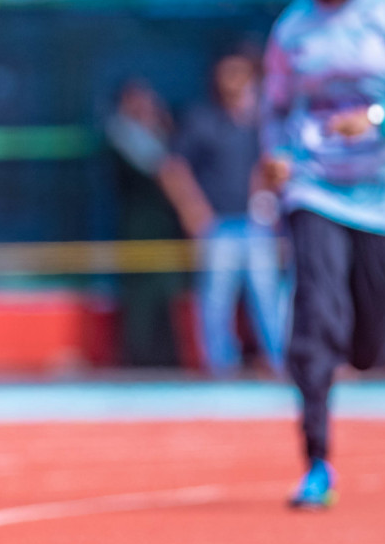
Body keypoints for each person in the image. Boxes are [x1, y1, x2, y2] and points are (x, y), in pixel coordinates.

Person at [259, 0, 385, 510]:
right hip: (317, 188)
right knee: (314, 320)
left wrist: (380, 120)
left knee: (367, 348)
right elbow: (275, 108)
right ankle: (317, 460)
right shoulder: (293, 30)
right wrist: (277, 157)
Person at [162, 51, 286, 376]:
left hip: (256, 224)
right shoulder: (202, 120)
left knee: (268, 297)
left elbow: (273, 166)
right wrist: (192, 209)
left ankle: (280, 362)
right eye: (227, 74)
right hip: (217, 225)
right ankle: (220, 366)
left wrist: (267, 200)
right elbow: (172, 167)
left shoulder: (263, 122)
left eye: (240, 74)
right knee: (215, 301)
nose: (233, 81)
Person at [104, 79, 186, 368]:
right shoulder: (121, 132)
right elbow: (160, 166)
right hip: (138, 230)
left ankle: (164, 357)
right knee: (140, 299)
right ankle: (139, 359)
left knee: (164, 295)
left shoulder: (158, 133)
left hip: (162, 230)